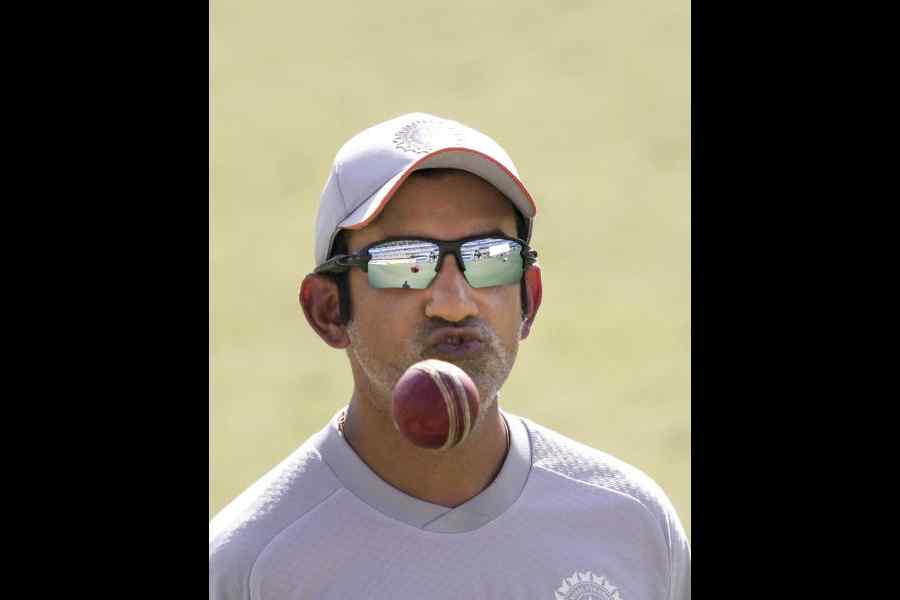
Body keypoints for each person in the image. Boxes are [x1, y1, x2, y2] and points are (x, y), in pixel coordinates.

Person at [209, 112, 691, 599]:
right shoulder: (253, 565)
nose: (453, 303)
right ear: (329, 310)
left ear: (529, 299)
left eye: (491, 257)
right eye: (402, 263)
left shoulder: (631, 523)